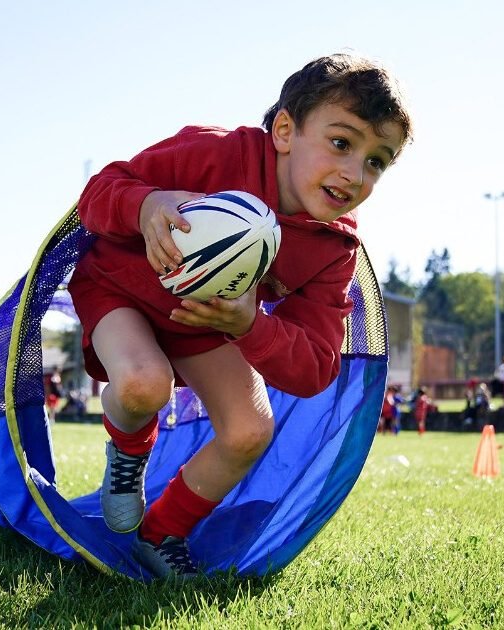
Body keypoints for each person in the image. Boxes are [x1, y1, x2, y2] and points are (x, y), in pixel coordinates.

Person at [68, 53, 412, 577]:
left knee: (251, 429)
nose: (353, 173)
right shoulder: (214, 153)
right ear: (283, 130)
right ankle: (129, 451)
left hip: (207, 324)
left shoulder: (332, 249)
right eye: (342, 143)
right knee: (144, 384)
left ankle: (161, 532)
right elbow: (97, 194)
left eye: (375, 162)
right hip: (121, 288)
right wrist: (147, 204)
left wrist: (250, 324)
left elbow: (316, 367)